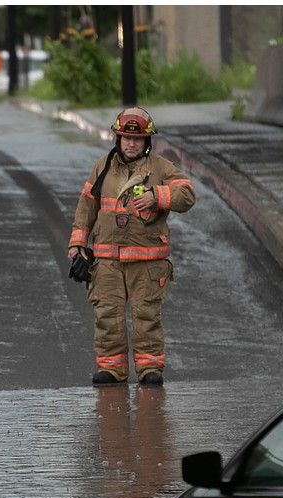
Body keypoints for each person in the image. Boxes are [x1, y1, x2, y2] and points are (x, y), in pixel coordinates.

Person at [67, 106, 196, 387]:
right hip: (107, 260)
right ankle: (112, 369)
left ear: (147, 141)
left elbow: (187, 194)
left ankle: (150, 369)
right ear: (117, 138)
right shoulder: (102, 167)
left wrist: (157, 196)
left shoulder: (160, 168)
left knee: (146, 315)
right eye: (126, 137)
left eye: (137, 139)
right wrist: (78, 244)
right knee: (107, 316)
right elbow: (86, 206)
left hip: (147, 263)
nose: (131, 143)